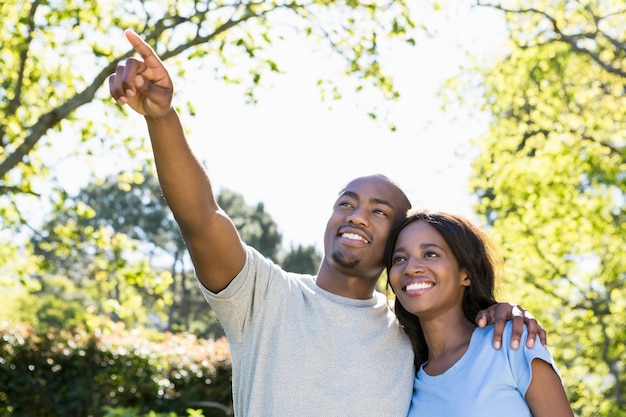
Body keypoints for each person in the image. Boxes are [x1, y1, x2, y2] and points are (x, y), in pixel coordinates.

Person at [109, 29, 546, 416]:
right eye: (346, 203)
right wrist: (162, 119)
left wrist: (502, 313)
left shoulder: (410, 335)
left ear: (396, 245)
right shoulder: (264, 297)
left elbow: (461, 349)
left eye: (379, 211)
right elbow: (201, 218)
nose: (356, 215)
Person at [385, 209, 573, 417]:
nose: (410, 268)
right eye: (399, 259)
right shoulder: (405, 377)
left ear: (465, 274)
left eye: (431, 254)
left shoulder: (511, 341)